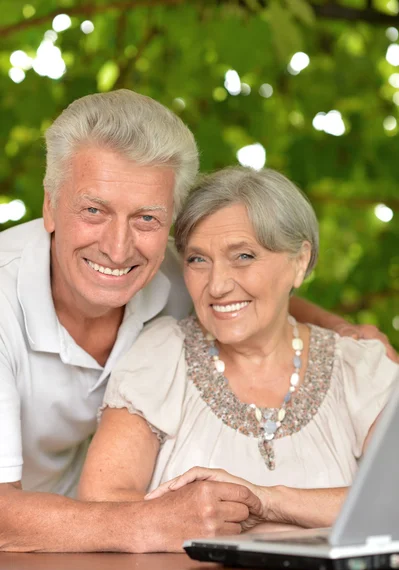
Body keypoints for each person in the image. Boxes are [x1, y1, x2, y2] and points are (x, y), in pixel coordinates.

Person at [0, 89, 394, 554]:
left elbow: (255, 292)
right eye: (93, 210)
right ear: (49, 206)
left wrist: (342, 331)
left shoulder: (170, 274)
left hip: (80, 548)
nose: (118, 247)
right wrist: (148, 524)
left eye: (147, 218)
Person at [79, 166, 399, 541]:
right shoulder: (160, 356)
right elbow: (101, 504)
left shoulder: (361, 369)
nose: (217, 285)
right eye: (198, 259)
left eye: (243, 256)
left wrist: (265, 501)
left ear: (299, 261)